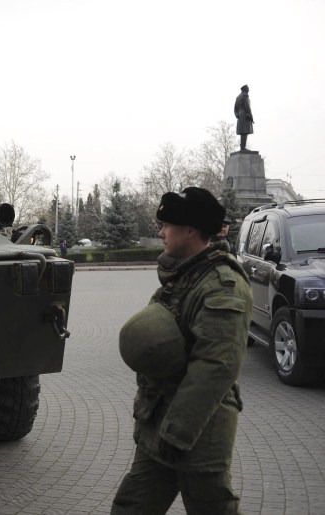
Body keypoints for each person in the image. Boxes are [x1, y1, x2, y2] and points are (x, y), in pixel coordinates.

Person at [112, 187, 252, 514]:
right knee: (132, 505)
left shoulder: (221, 284)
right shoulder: (185, 273)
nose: (160, 232)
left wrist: (177, 434)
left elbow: (216, 365)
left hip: (196, 430)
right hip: (161, 418)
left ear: (190, 230)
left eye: (167, 225)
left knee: (212, 506)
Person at [234, 84, 254, 151]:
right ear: (244, 89)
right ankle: (243, 147)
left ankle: (242, 147)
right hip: (245, 115)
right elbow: (247, 106)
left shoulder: (238, 97)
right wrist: (250, 115)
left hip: (240, 116)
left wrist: (237, 115)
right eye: (248, 88)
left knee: (243, 132)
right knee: (244, 132)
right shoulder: (245, 95)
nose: (249, 90)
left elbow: (235, 109)